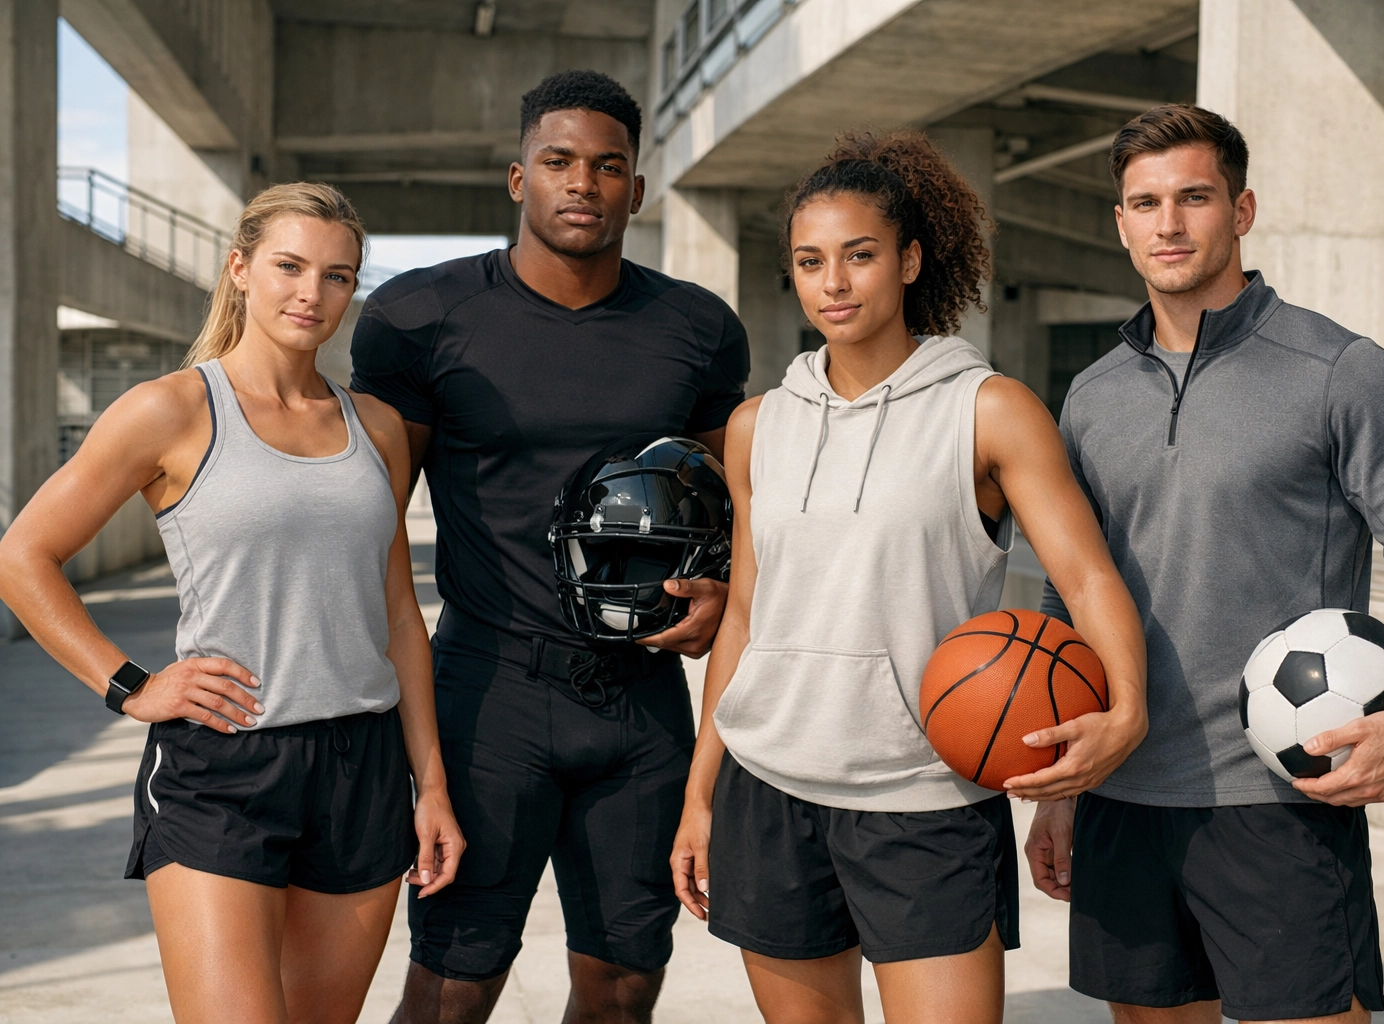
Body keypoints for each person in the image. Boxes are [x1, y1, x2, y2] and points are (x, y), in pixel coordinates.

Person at [1024, 104, 1384, 1024]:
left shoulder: (1336, 370)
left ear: (1241, 211)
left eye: (1193, 197)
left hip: (1277, 800)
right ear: (1118, 223)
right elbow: (1065, 588)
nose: (1169, 223)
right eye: (1145, 202)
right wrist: (1064, 788)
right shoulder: (1089, 397)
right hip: (1122, 793)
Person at [669, 130, 1149, 1024]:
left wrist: (1126, 707)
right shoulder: (755, 426)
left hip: (924, 801)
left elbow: (1085, 577)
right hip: (768, 788)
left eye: (860, 256)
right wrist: (701, 793)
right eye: (812, 262)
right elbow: (744, 616)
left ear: (910, 259)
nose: (835, 283)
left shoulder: (989, 409)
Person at [0, 182, 464, 1024]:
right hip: (223, 766)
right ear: (240, 269)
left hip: (362, 768)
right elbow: (22, 557)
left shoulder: (378, 429)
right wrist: (132, 685)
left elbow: (398, 615)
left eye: (336, 276)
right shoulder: (170, 410)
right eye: (289, 266)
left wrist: (428, 785)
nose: (310, 294)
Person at [348, 70, 748, 1024]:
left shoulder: (695, 328)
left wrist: (721, 589)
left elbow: (737, 501)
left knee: (621, 990)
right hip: (490, 693)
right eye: (560, 161)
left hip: (643, 698)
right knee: (452, 985)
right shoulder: (419, 317)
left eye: (609, 166)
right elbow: (358, 517)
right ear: (518, 177)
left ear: (637, 190)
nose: (584, 182)